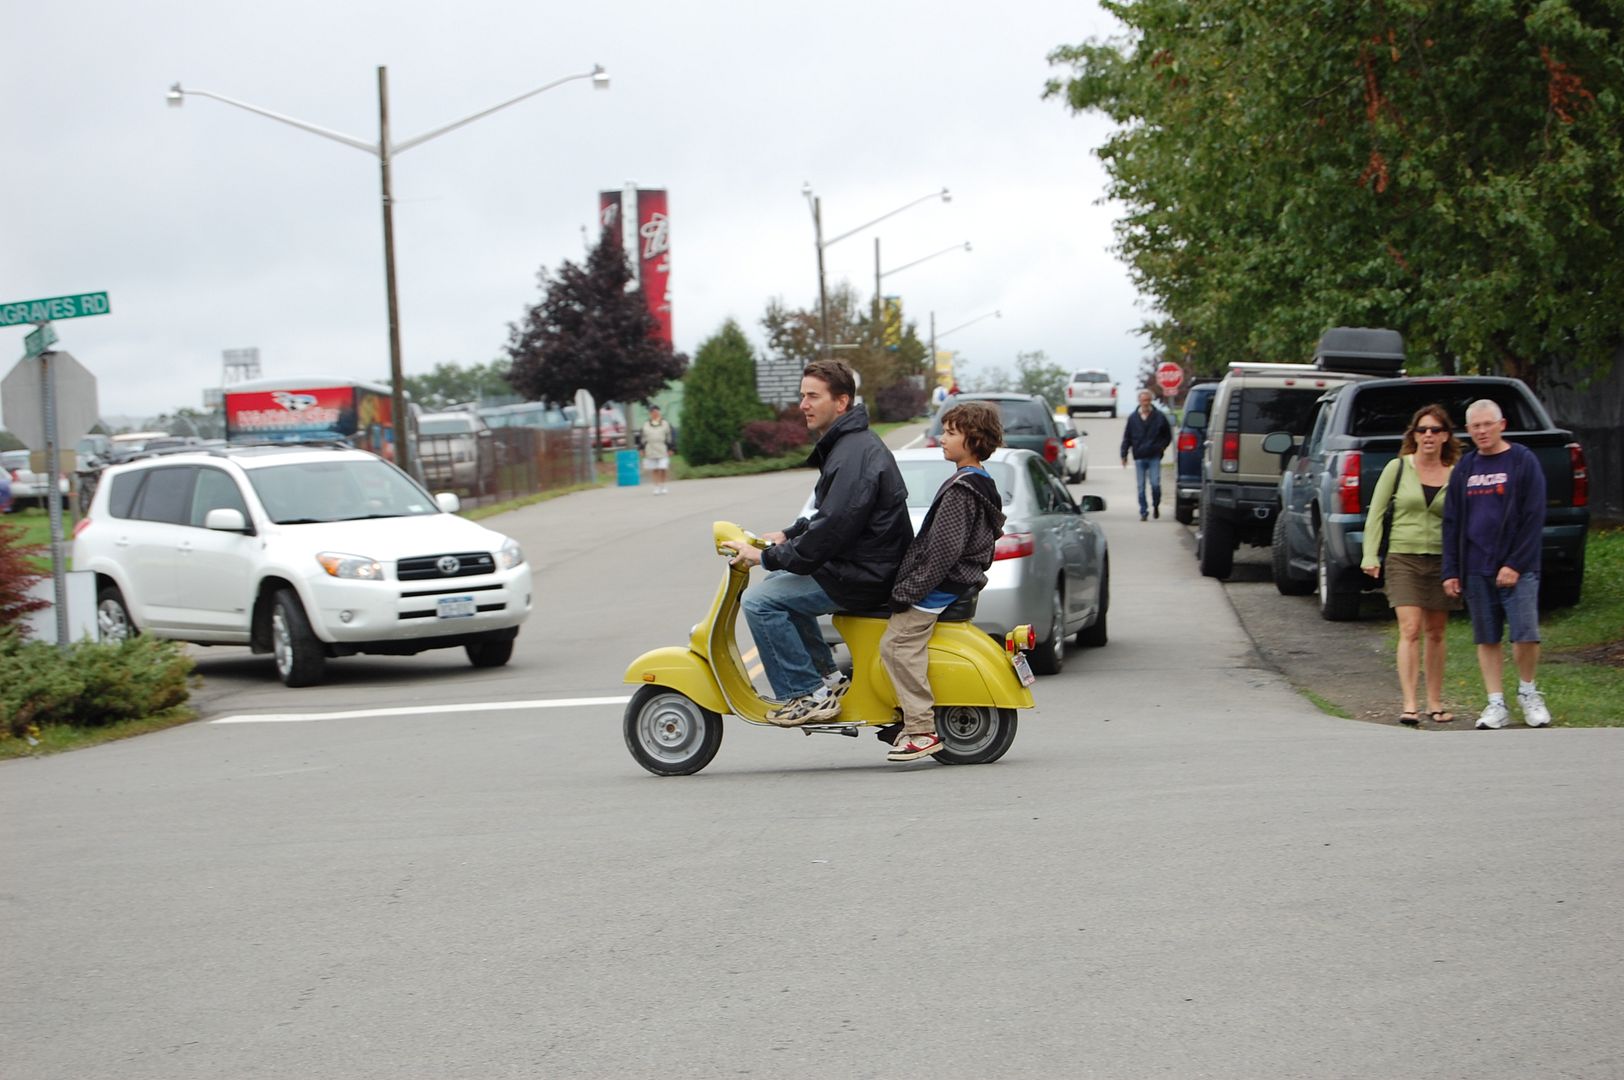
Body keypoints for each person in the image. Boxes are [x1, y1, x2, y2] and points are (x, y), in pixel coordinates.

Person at [723, 360, 913, 726]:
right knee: (779, 589)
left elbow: (832, 530)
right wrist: (789, 535)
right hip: (862, 564)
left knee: (760, 602)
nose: (803, 405)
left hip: (864, 574)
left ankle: (805, 694)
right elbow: (834, 516)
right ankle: (827, 680)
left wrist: (768, 556)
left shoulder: (853, 453)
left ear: (841, 403)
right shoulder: (850, 445)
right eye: (802, 396)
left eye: (812, 396)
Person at [881, 401, 1006, 761]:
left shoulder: (962, 490)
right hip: (955, 581)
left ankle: (920, 729)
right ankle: (905, 713)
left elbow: (942, 552)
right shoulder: (979, 481)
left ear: (973, 439)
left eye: (951, 433)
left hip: (941, 586)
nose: (942, 438)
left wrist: (908, 591)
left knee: (897, 644)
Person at [1442, 399, 1551, 729]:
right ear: (1468, 430)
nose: (1481, 431)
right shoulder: (1465, 467)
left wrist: (1515, 563)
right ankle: (1495, 703)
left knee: (1525, 634)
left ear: (1501, 425)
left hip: (1518, 568)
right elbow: (1452, 520)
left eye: (1487, 424)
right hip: (1476, 566)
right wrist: (1451, 569)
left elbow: (1534, 516)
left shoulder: (1522, 461)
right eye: (1475, 426)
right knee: (1486, 637)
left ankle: (1529, 692)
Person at [1361, 405, 1463, 726]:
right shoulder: (1398, 468)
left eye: (1435, 430)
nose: (1428, 436)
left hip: (1442, 560)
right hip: (1403, 556)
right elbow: (1376, 512)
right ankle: (1409, 703)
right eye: (1422, 430)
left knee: (1436, 631)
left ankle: (1434, 702)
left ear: (1446, 436)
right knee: (1410, 628)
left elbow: (1466, 519)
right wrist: (1370, 554)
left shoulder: (1457, 472)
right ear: (1413, 435)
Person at [1120, 388, 1173, 520]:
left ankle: (1156, 505)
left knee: (1155, 484)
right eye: (1143, 400)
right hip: (1139, 456)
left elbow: (1167, 435)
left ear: (1151, 401)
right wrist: (1124, 454)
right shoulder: (1133, 418)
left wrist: (1161, 447)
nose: (1146, 403)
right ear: (1139, 401)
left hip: (1154, 455)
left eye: (1148, 400)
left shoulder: (1159, 416)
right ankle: (1143, 511)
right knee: (1141, 487)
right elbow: (1127, 437)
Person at [638, 404, 675, 495]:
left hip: (662, 448)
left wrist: (671, 448)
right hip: (650, 448)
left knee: (663, 468)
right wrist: (641, 449)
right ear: (650, 414)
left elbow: (670, 436)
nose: (654, 413)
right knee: (654, 469)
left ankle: (663, 485)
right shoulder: (646, 424)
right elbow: (642, 438)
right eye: (652, 412)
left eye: (656, 411)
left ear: (659, 412)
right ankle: (656, 487)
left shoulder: (665, 423)